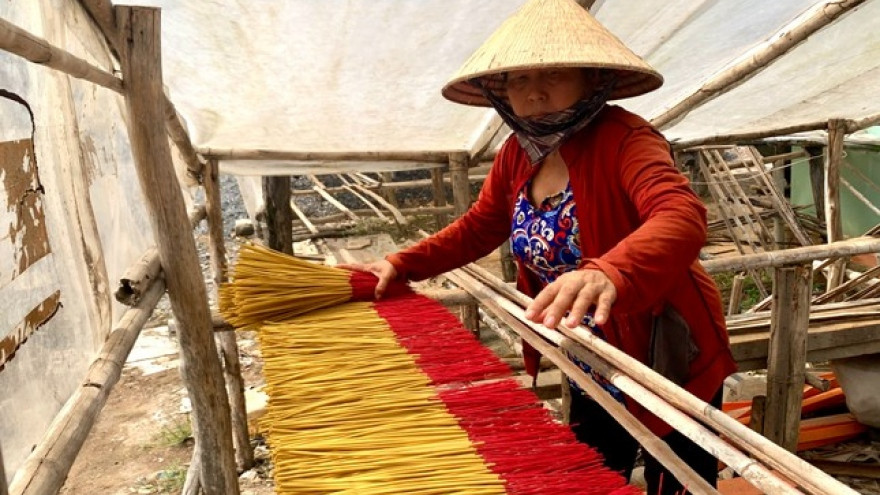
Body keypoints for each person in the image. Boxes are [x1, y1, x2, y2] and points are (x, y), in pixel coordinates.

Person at [344, 0, 737, 493]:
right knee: (595, 468)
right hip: (585, 348)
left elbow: (680, 215)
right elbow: (481, 227)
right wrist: (401, 262)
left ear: (592, 79)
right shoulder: (518, 152)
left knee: (678, 475)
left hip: (661, 347)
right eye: (517, 80)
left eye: (552, 73)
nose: (533, 93)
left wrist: (607, 273)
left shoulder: (626, 139)